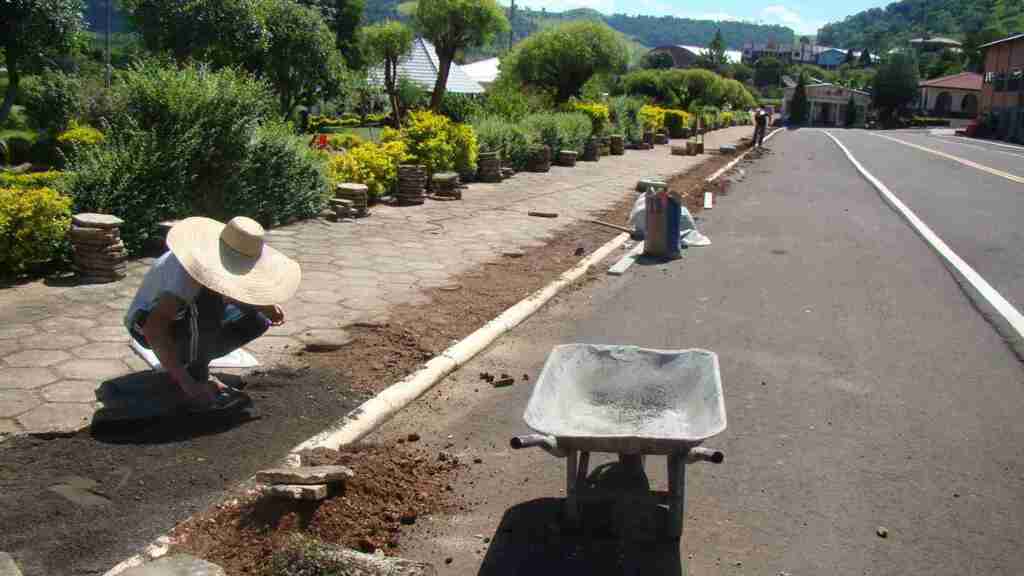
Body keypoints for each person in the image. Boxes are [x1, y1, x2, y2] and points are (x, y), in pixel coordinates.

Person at [125, 216, 301, 412]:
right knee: (207, 306)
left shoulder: (216, 267)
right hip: (145, 325)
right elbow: (153, 328)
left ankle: (191, 357)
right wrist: (189, 384)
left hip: (185, 319)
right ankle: (196, 375)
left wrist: (264, 306)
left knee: (256, 320)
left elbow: (232, 292)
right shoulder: (186, 275)